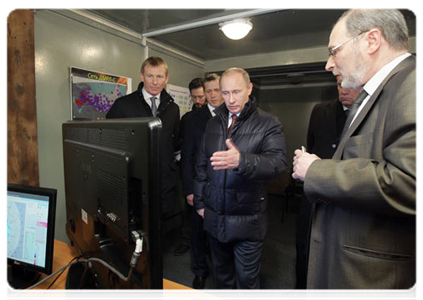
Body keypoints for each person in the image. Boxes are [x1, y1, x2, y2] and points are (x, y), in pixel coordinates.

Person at [292, 8, 419, 300]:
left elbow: (414, 182)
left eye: (334, 51)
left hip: (376, 280)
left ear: (372, 40)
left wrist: (316, 171)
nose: (328, 64)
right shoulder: (376, 93)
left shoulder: (415, 83)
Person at [194, 68, 287, 300]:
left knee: (247, 282)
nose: (231, 99)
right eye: (225, 93)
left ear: (249, 89)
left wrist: (241, 160)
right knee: (222, 278)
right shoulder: (213, 123)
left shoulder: (269, 123)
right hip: (215, 216)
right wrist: (200, 202)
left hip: (248, 220)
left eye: (236, 91)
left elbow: (279, 164)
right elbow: (201, 164)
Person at [280, 75, 360, 300]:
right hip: (313, 190)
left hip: (345, 191)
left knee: (336, 249)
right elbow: (312, 143)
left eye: (349, 86)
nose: (343, 89)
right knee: (304, 241)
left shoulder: (369, 112)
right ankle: (302, 290)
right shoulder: (320, 110)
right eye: (339, 84)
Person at [106, 56, 180, 214]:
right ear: (142, 76)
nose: (155, 82)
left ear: (166, 79)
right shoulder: (123, 105)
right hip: (133, 184)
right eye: (150, 76)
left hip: (164, 185)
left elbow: (174, 145)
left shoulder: (173, 109)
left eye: (159, 76)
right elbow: (108, 143)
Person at [179, 73, 224, 290]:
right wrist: (189, 189)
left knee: (220, 233)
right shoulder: (192, 120)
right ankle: (199, 270)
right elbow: (186, 156)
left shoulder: (234, 115)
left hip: (225, 187)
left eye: (217, 90)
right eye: (209, 91)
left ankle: (220, 271)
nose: (213, 95)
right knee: (197, 232)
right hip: (199, 186)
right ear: (203, 93)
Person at [174, 77, 207, 257]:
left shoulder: (214, 117)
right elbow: (181, 142)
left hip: (207, 172)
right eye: (194, 97)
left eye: (201, 97)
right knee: (189, 209)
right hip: (190, 171)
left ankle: (206, 246)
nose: (198, 101)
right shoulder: (187, 118)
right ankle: (187, 240)